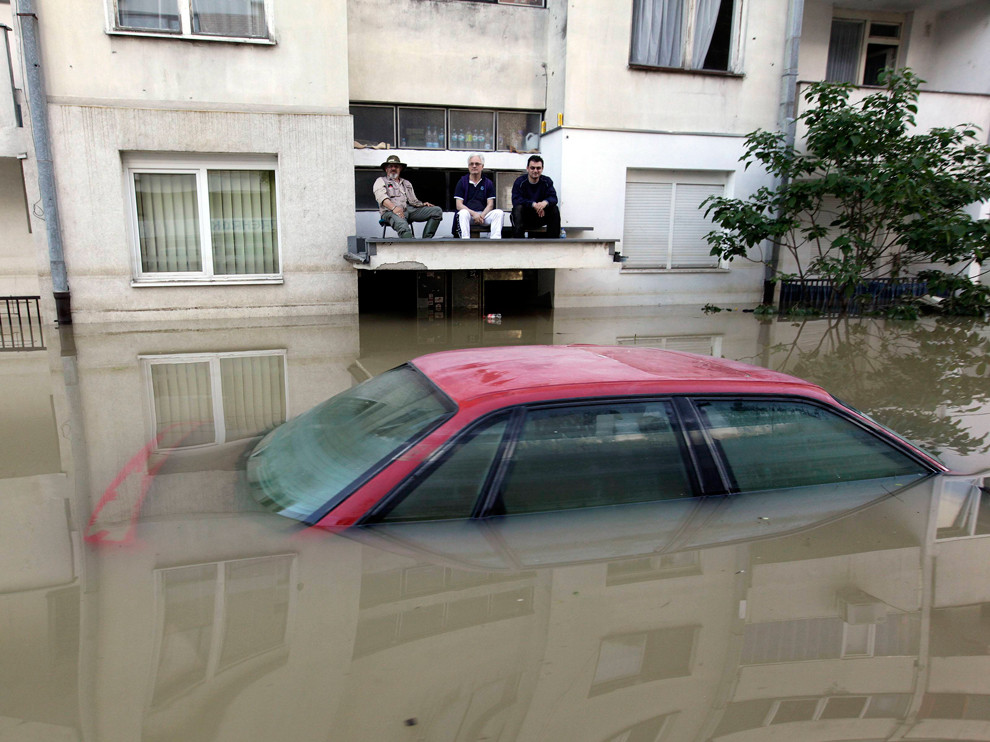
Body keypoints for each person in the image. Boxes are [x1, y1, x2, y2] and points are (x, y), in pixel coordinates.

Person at [373, 155, 442, 239]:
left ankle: (426, 241)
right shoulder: (381, 180)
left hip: (408, 209)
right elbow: (381, 198)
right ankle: (410, 248)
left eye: (396, 166)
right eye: (390, 166)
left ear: (400, 169)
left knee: (436, 211)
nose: (393, 168)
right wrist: (394, 208)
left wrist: (422, 204)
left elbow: (413, 201)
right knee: (403, 227)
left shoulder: (406, 183)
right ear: (386, 169)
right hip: (390, 211)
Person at [454, 154, 503, 239]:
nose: (474, 166)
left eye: (477, 164)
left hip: (483, 216)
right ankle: (465, 241)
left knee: (499, 213)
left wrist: (482, 216)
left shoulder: (488, 183)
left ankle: (495, 242)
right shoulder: (462, 182)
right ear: (468, 166)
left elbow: (490, 204)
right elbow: (459, 205)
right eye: (471, 164)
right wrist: (474, 214)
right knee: (462, 213)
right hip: (469, 216)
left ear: (482, 166)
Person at [511, 155, 561, 238]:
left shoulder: (547, 181)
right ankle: (518, 243)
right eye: (532, 168)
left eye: (538, 168)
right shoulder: (520, 182)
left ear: (542, 169)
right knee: (517, 209)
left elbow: (553, 198)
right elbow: (516, 200)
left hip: (541, 216)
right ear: (527, 168)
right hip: (525, 216)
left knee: (554, 209)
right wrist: (533, 205)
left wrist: (544, 203)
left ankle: (553, 243)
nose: (535, 171)